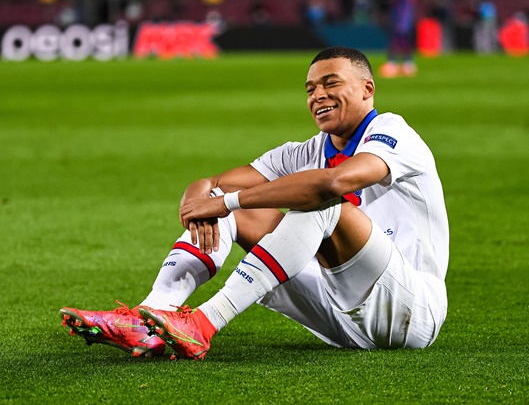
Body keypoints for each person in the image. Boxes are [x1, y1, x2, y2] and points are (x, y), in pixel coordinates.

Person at [60, 46, 449, 360]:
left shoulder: (393, 133)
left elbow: (335, 182)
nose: (318, 95)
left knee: (324, 203)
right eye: (310, 89)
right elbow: (213, 184)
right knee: (224, 203)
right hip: (339, 320)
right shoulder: (305, 151)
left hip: (411, 310)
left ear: (367, 89)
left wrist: (226, 201)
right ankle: (147, 320)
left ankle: (204, 323)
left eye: (331, 83)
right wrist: (198, 197)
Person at [380, 0, 418, 78]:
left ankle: (402, 62)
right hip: (398, 2)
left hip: (402, 3)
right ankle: (402, 62)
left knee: (401, 31)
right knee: (397, 32)